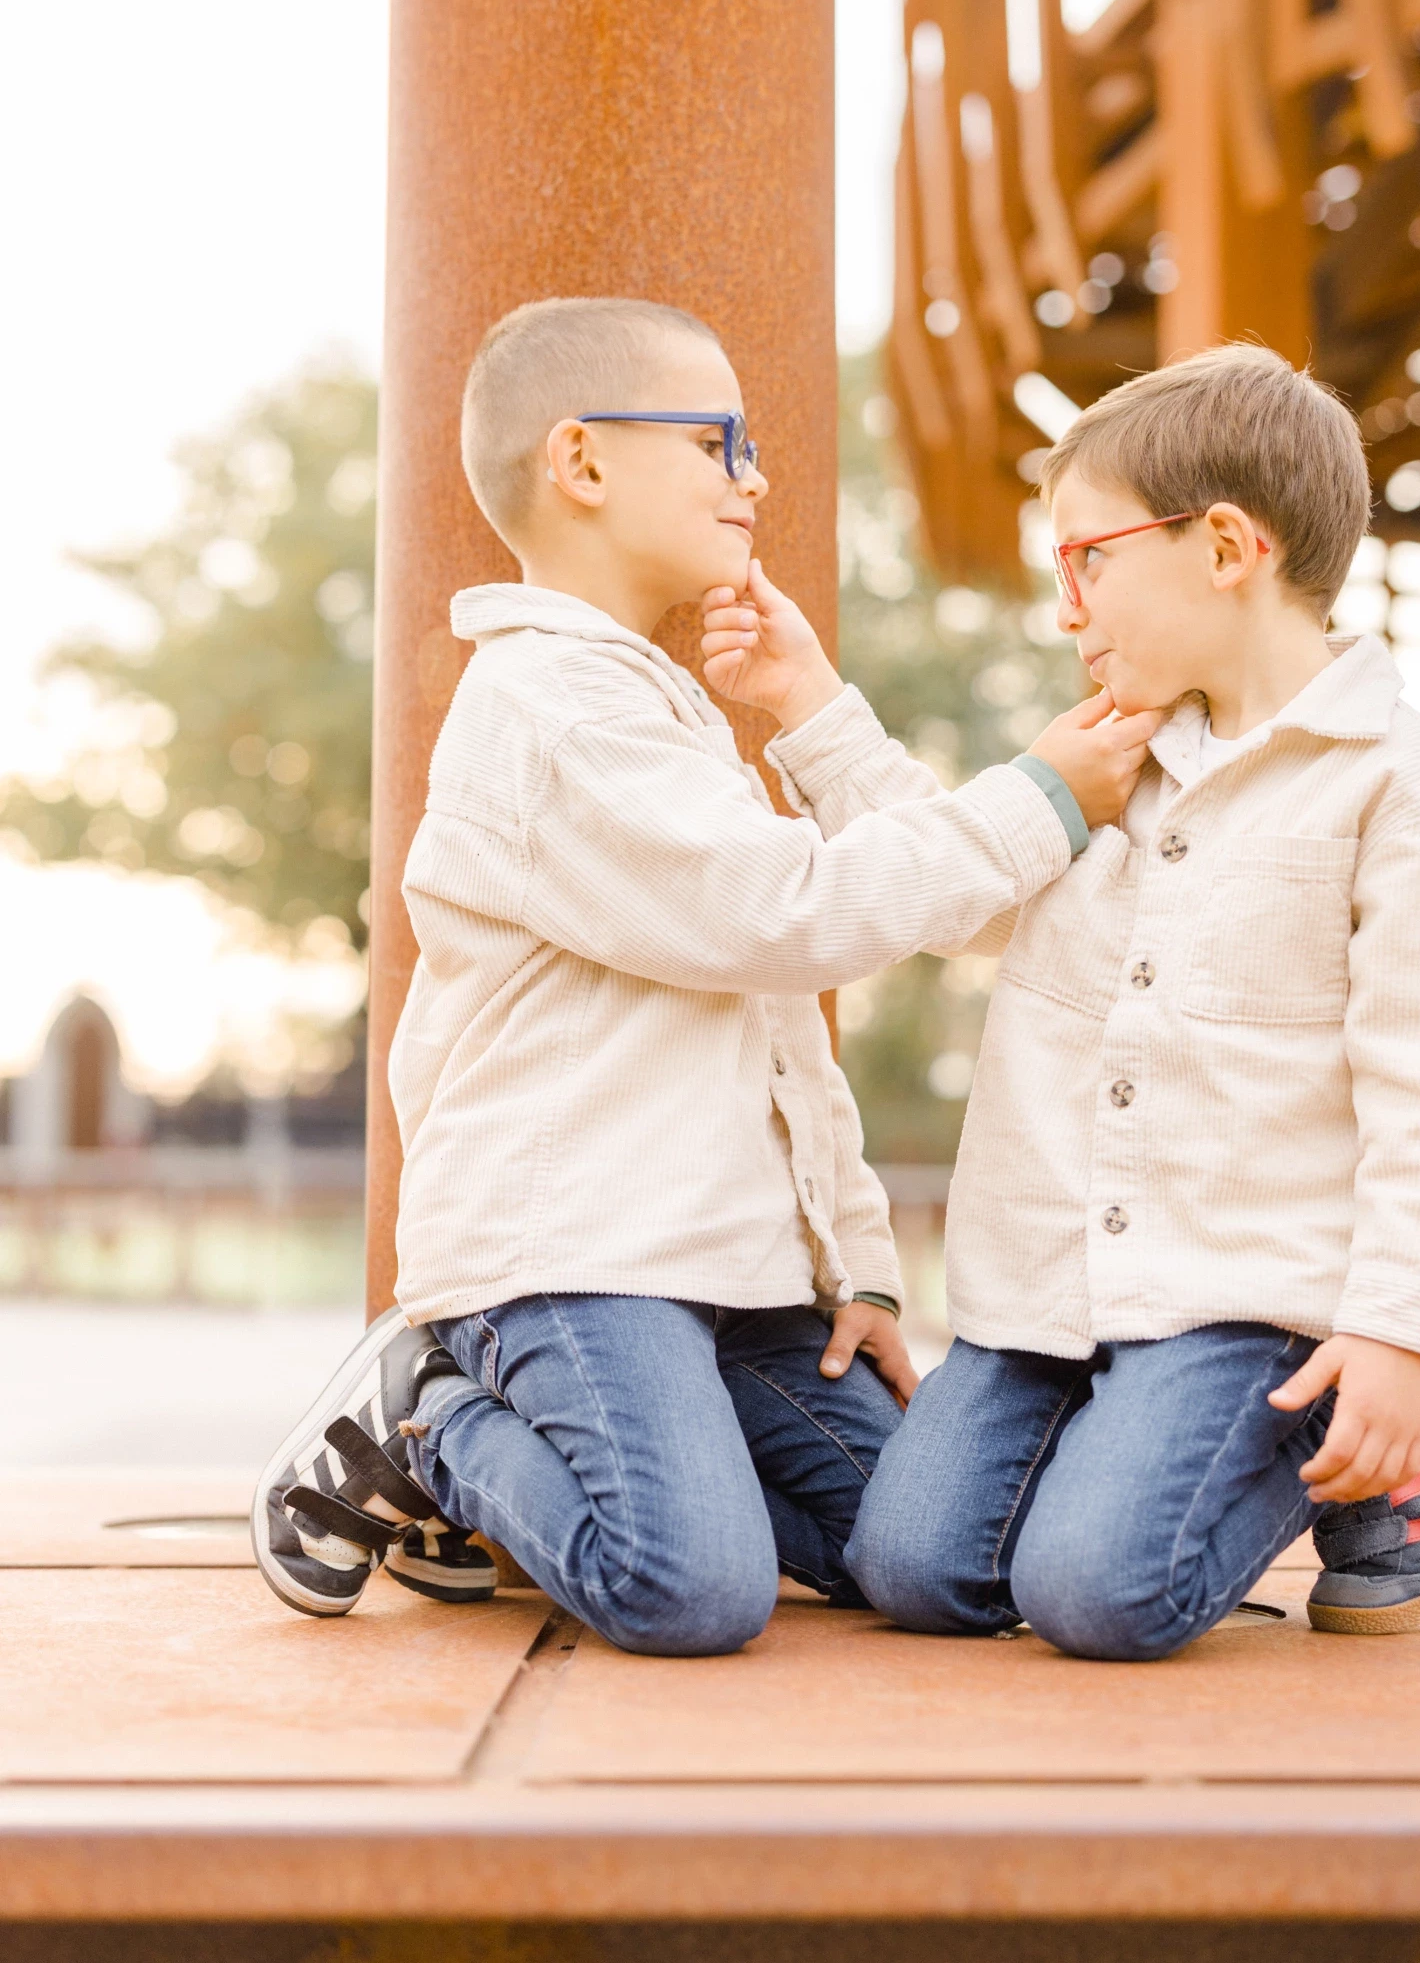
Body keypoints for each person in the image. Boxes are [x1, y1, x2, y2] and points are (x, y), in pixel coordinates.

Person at [252, 295, 1153, 1649]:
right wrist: (1042, 792)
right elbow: (786, 915)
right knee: (688, 1586)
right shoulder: (553, 709)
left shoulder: (659, 711)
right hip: (577, 1256)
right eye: (722, 440)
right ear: (582, 462)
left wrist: (853, 1265)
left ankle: (584, 1469)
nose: (757, 474)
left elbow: (785, 1024)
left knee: (932, 1554)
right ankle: (428, 1408)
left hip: (733, 1274)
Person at [700, 343, 1420, 1656]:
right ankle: (1136, 1459)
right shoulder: (1107, 755)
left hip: (1246, 1300)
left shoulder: (1415, 811)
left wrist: (1396, 1338)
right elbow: (965, 889)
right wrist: (805, 700)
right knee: (912, 1572)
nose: (1065, 609)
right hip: (1047, 1295)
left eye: (1087, 559)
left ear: (1223, 547)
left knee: (1098, 1594)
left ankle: (1377, 1458)